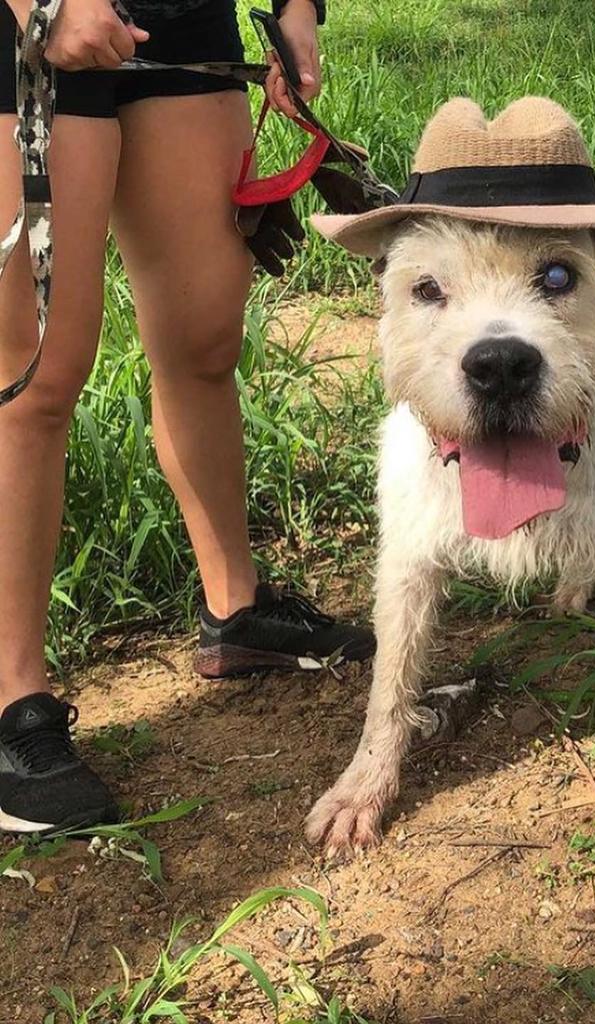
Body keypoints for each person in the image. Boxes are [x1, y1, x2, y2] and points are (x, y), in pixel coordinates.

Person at [0, 0, 375, 834]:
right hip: (30, 34)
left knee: (206, 338)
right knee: (39, 375)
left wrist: (296, 12)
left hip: (184, 27)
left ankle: (234, 611)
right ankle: (11, 700)